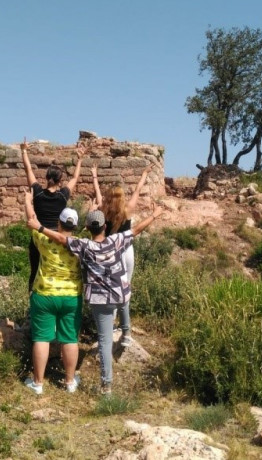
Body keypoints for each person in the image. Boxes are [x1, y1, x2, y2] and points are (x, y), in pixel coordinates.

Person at [27, 201, 163, 395]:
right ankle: (126, 333)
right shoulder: (115, 240)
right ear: (105, 227)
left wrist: (39, 227)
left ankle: (106, 385)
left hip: (100, 300)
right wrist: (155, 215)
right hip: (119, 294)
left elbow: (59, 237)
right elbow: (136, 230)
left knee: (105, 341)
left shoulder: (84, 245)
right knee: (119, 307)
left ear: (87, 228)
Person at [23, 189, 83, 395]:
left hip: (44, 294)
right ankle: (69, 382)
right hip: (71, 297)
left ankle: (38, 383)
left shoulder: (43, 240)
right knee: (70, 339)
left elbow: (31, 219)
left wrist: (27, 201)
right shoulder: (81, 245)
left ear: (58, 222)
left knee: (41, 338)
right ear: (74, 226)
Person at [91, 162, 154, 346]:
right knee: (125, 288)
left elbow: (97, 194)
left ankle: (110, 326)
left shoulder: (103, 209)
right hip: (126, 252)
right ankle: (125, 332)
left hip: (110, 253)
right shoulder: (127, 210)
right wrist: (143, 174)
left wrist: (95, 176)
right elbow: (137, 191)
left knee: (110, 288)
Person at [21, 138, 85, 291]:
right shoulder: (63, 195)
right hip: (57, 237)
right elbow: (75, 178)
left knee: (35, 271)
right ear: (60, 181)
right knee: (56, 268)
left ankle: (33, 303)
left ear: (46, 178)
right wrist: (80, 159)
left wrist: (24, 151)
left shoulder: (37, 193)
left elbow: (28, 170)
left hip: (38, 237)